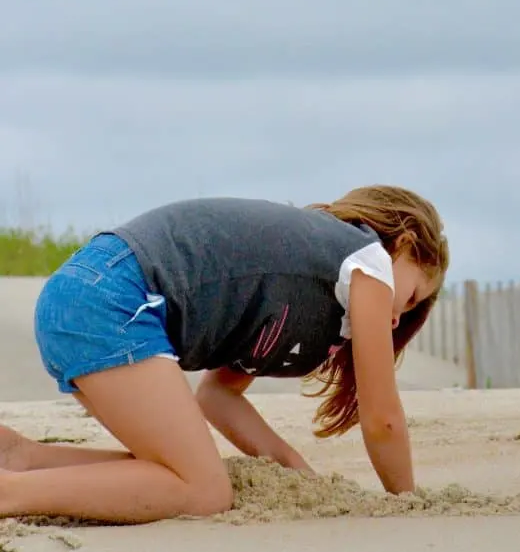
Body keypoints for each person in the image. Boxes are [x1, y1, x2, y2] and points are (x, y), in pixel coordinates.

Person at [0, 185, 449, 525]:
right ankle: (10, 493)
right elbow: (383, 419)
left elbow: (217, 397)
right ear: (405, 245)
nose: (396, 319)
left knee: (170, 472)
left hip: (80, 291)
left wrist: (296, 470)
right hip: (115, 300)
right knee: (203, 491)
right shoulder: (368, 261)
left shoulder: (310, 272)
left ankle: (21, 458)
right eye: (410, 297)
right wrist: (406, 503)